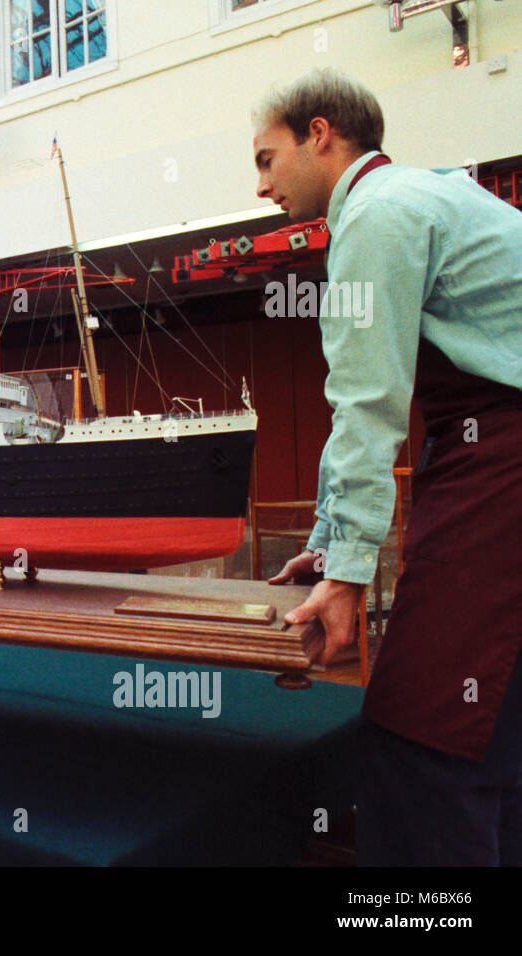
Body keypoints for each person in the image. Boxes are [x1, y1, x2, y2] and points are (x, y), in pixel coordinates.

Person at [254, 68, 522, 865]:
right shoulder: (435, 193)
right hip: (489, 443)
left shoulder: (373, 214)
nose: (260, 183)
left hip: (502, 459)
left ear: (322, 134)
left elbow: (367, 403)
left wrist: (347, 574)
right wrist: (335, 542)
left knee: (422, 728)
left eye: (268, 159)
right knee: (496, 727)